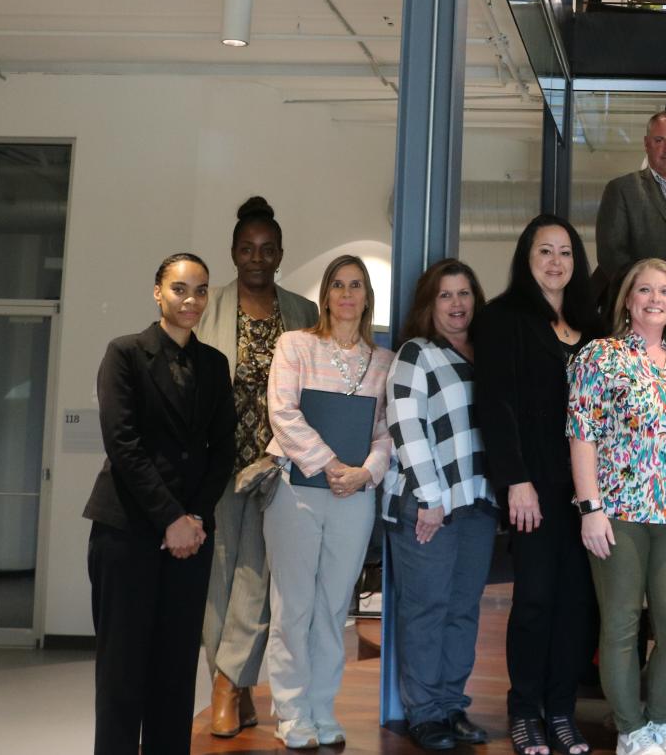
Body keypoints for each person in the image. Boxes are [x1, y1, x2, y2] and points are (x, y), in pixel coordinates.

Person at [86, 252, 235, 755]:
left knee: (175, 674)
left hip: (189, 539)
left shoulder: (214, 365)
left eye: (200, 290)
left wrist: (193, 519)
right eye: (179, 289)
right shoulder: (125, 353)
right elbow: (122, 443)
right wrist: (170, 517)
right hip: (127, 531)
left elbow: (224, 450)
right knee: (122, 674)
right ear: (158, 292)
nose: (191, 300)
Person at [568, 260, 666, 755]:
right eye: (644, 290)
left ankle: (660, 722)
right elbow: (581, 434)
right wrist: (590, 507)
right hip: (619, 512)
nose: (655, 298)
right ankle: (632, 730)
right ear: (627, 299)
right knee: (622, 624)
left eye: (665, 291)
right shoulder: (600, 357)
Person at [479, 217, 606, 755]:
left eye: (565, 253)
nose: (555, 262)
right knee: (534, 599)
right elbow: (496, 404)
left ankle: (560, 710)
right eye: (544, 252)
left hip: (588, 492)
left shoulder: (592, 326)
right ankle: (525, 710)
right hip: (535, 486)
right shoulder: (503, 318)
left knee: (578, 604)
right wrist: (516, 481)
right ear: (526, 258)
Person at [198, 197, 319, 739]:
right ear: (233, 253)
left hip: (278, 466)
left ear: (280, 254)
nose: (257, 258)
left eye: (267, 249)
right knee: (217, 580)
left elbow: (314, 392)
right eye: (247, 249)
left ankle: (226, 685)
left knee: (257, 574)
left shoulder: (302, 313)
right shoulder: (209, 307)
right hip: (215, 464)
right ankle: (239, 689)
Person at [264, 254, 394, 749]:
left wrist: (365, 472)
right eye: (337, 284)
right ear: (325, 294)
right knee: (293, 606)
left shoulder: (383, 361)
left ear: (366, 296)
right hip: (296, 491)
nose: (346, 293)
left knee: (334, 606)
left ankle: (321, 707)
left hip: (354, 496)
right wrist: (331, 464)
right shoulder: (295, 345)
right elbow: (283, 413)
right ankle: (292, 713)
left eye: (355, 285)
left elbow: (386, 431)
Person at [383, 259, 495, 751]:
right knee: (426, 610)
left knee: (463, 610)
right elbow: (406, 428)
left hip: (476, 503)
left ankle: (452, 706)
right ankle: (424, 714)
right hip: (428, 505)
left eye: (464, 294)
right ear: (430, 305)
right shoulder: (416, 354)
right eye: (445, 296)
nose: (457, 304)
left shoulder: (487, 353)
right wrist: (430, 499)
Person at [595, 112, 666, 285]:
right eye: (659, 140)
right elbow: (611, 256)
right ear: (647, 144)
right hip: (645, 302)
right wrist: (645, 290)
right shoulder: (622, 190)